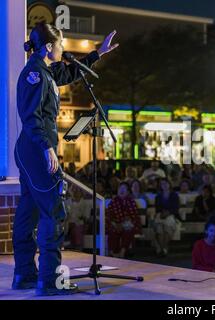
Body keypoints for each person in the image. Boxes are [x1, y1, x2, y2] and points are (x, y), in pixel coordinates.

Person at [12, 22, 118, 296]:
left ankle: (24, 275)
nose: (62, 50)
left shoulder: (44, 70)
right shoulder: (35, 74)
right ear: (49, 47)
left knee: (29, 210)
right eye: (60, 45)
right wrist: (47, 147)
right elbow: (31, 116)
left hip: (30, 149)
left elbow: (69, 72)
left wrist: (98, 54)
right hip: (36, 149)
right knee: (53, 211)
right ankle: (49, 281)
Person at [106, 182, 141, 258]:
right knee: (112, 231)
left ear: (128, 192)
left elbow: (134, 216)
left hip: (127, 224)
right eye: (120, 188)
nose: (121, 190)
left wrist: (123, 224)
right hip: (115, 223)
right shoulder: (113, 202)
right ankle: (112, 252)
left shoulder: (131, 201)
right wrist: (116, 224)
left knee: (128, 230)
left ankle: (122, 252)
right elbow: (109, 215)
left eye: (124, 188)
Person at [152, 178, 180, 256]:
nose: (164, 185)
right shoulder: (158, 196)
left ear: (169, 184)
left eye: (166, 183)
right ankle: (164, 249)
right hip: (160, 214)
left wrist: (168, 213)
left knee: (167, 226)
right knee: (159, 228)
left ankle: (162, 249)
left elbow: (175, 208)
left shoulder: (174, 195)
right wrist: (162, 213)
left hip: (171, 214)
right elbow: (157, 208)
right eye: (162, 184)